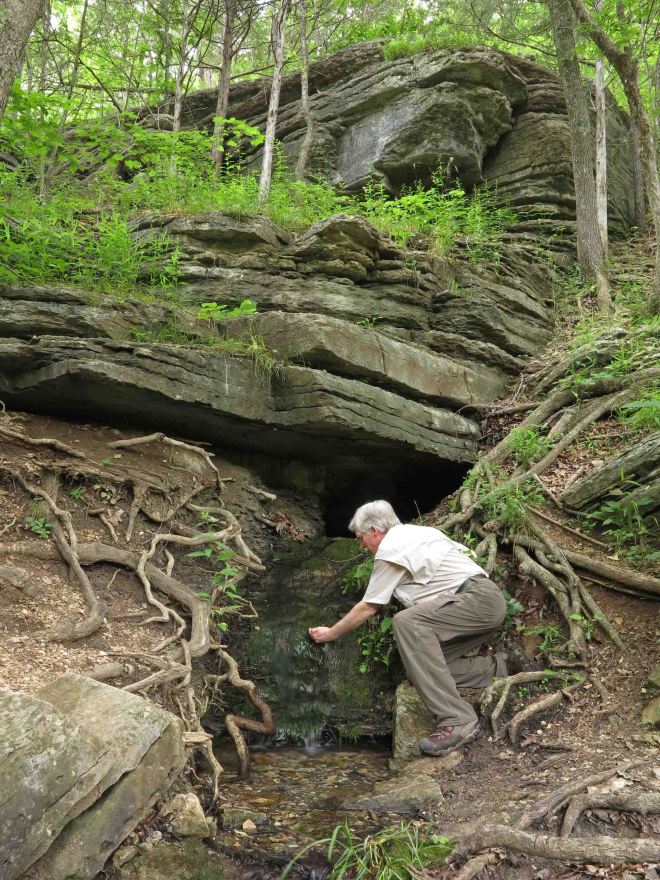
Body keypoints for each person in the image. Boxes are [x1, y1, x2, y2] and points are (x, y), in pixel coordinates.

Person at [308, 500, 507, 756]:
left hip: (477, 601)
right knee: (421, 670)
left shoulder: (391, 548)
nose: (361, 545)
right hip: (483, 602)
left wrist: (331, 633)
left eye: (360, 538)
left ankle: (457, 719)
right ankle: (497, 668)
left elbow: (370, 606)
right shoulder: (419, 533)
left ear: (375, 531)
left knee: (406, 621)